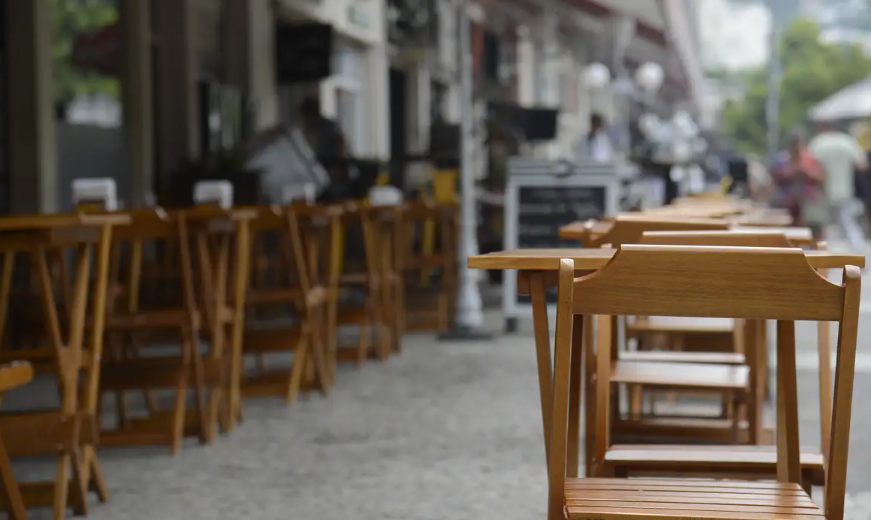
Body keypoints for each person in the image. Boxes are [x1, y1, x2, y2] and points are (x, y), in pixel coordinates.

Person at [808, 121, 869, 252]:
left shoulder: (818, 143)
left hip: (823, 191)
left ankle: (824, 256)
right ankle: (859, 252)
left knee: (825, 227)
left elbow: (809, 165)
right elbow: (862, 164)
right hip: (845, 190)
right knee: (848, 223)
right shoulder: (847, 142)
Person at [771, 132, 826, 237]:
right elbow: (776, 178)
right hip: (788, 205)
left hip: (810, 204)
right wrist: (791, 172)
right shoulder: (783, 160)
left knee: (814, 233)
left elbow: (821, 179)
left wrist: (805, 173)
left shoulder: (811, 160)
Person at [298, 96, 350, 194]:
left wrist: (338, 165)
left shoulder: (327, 126)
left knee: (333, 192)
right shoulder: (307, 129)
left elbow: (340, 142)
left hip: (331, 164)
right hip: (319, 165)